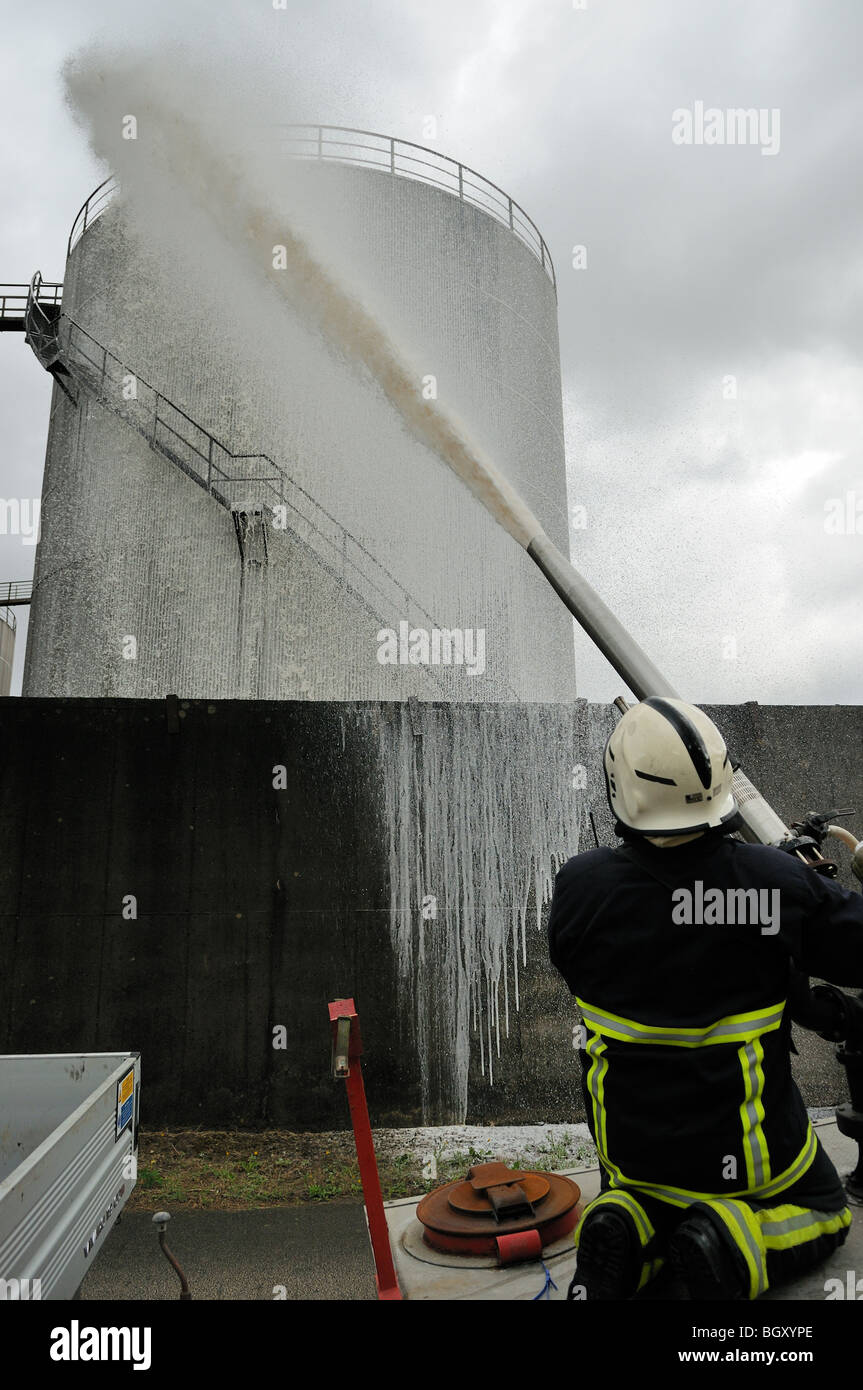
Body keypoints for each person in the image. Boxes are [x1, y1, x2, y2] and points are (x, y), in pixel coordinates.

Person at [547, 696, 863, 1300]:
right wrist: (798, 887)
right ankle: (729, 1239)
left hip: (633, 1159)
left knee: (644, 1193)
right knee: (827, 1204)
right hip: (747, 1167)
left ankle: (630, 1227)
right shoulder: (774, 886)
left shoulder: (578, 890)